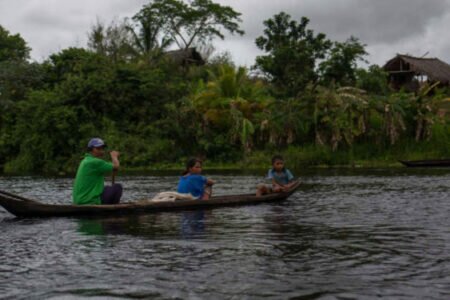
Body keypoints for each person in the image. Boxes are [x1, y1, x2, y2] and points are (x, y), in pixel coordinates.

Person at [72, 138, 122, 205]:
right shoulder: (95, 162)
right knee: (117, 187)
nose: (101, 151)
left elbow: (113, 169)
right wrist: (114, 157)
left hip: (79, 200)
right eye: (98, 149)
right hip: (89, 201)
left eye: (102, 148)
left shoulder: (84, 161)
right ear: (91, 150)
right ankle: (112, 210)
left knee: (107, 188)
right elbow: (116, 166)